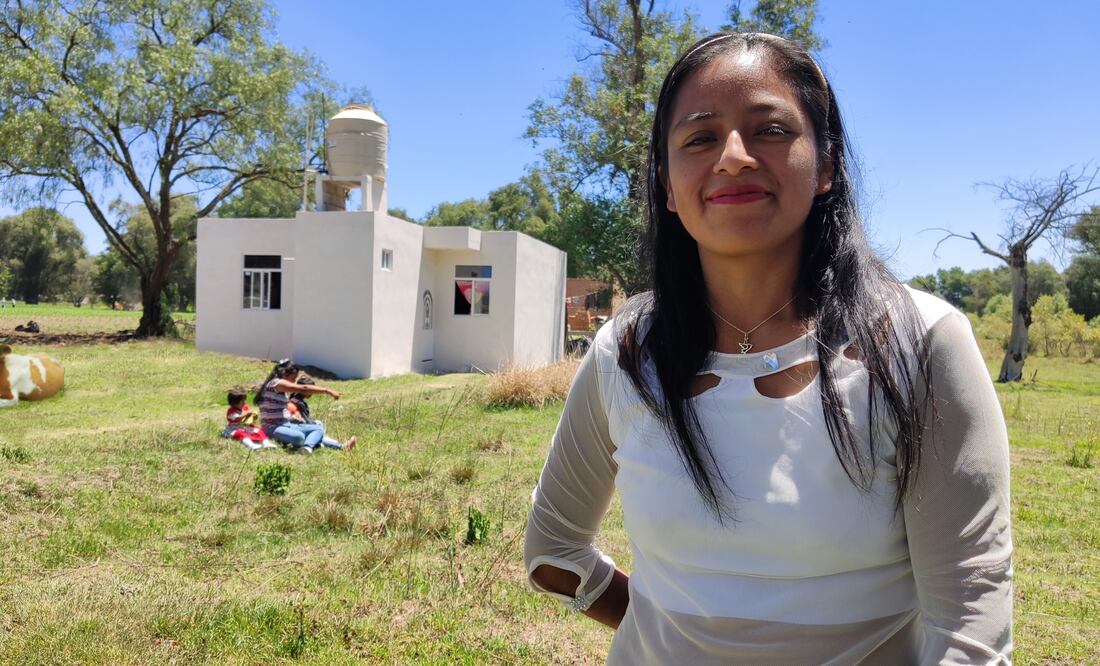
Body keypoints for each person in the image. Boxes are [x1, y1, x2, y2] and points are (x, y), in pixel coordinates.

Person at [524, 32, 1012, 664]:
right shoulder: (625, 348)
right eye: (699, 138)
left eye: (772, 130)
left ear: (828, 165)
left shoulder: (920, 342)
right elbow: (553, 552)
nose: (732, 157)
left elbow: (970, 630)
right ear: (668, 188)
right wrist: (653, 625)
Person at [255, 359, 355, 454]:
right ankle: (315, 444)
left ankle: (316, 447)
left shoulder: (281, 388)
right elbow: (304, 388)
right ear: (286, 375)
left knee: (318, 428)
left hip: (286, 425)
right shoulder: (276, 383)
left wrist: (292, 417)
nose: (294, 382)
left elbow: (279, 410)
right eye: (293, 379)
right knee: (299, 437)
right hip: (273, 428)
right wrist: (327, 390)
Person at [287, 375, 355, 451]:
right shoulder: (295, 403)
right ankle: (341, 446)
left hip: (302, 427)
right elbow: (295, 420)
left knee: (318, 424)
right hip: (298, 430)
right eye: (311, 390)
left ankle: (321, 443)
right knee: (318, 427)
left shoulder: (298, 401)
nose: (312, 392)